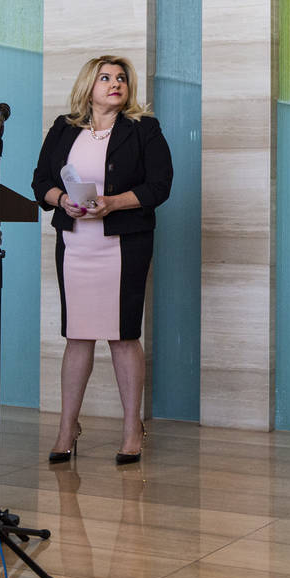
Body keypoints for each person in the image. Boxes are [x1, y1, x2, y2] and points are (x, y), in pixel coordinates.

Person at [32, 55, 173, 465]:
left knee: (122, 335)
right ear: (88, 86)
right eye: (106, 77)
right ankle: (66, 428)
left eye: (122, 78)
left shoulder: (144, 128)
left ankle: (132, 429)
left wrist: (113, 203)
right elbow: (41, 181)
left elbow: (160, 186)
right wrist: (62, 200)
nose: (116, 83)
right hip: (76, 243)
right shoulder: (64, 127)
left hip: (123, 244)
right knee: (77, 335)